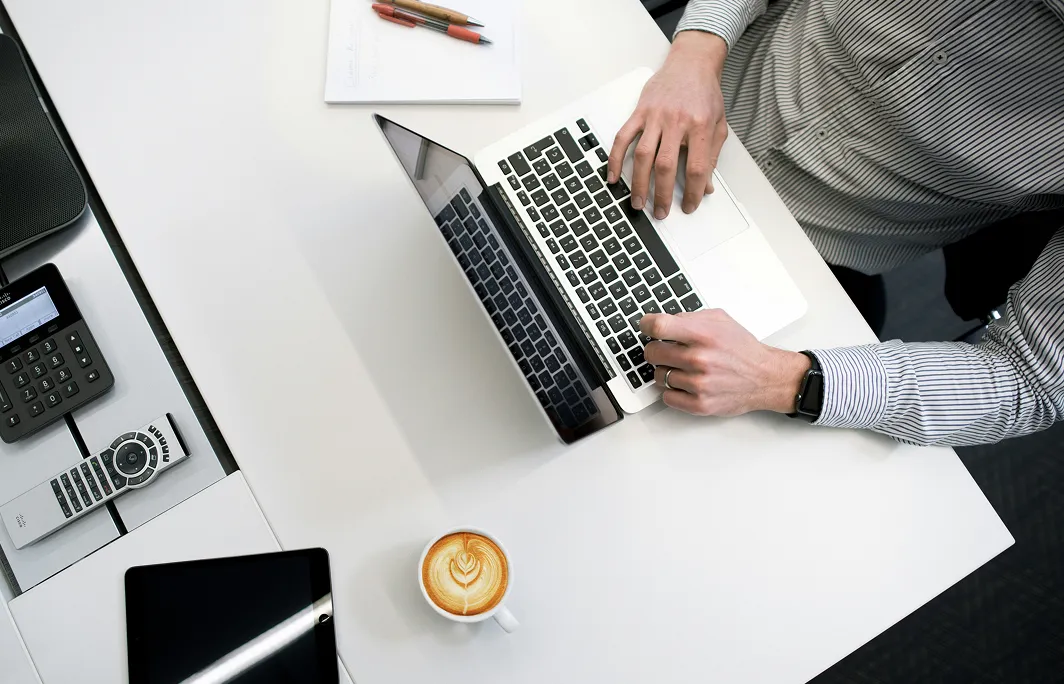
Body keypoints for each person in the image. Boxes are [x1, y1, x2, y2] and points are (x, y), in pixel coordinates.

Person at [610, 0, 1064, 446]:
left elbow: (1031, 379)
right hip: (686, 92)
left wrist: (781, 380)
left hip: (805, 261)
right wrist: (697, 51)